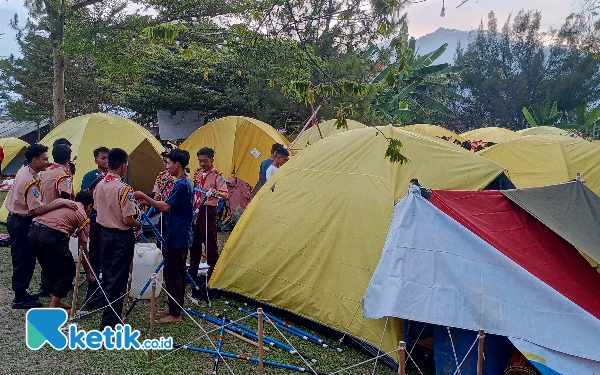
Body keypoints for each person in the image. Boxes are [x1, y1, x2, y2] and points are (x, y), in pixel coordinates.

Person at [5, 144, 77, 309]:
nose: (47, 162)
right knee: (24, 259)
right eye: (44, 159)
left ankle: (35, 291)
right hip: (21, 221)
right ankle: (20, 296)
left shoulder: (27, 170)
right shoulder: (29, 179)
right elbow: (37, 209)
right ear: (34, 159)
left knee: (29, 257)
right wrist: (61, 202)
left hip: (18, 218)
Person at [134, 149, 193, 323]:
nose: (167, 166)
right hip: (180, 232)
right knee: (178, 271)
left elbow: (165, 206)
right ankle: (175, 306)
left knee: (173, 272)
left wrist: (145, 197)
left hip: (178, 233)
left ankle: (175, 314)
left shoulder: (182, 184)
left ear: (178, 164)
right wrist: (150, 200)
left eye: (168, 163)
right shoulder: (184, 182)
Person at [94, 148, 141, 329]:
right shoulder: (123, 189)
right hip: (120, 237)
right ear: (123, 166)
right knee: (118, 279)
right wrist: (139, 223)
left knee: (107, 275)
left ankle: (108, 314)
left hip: (103, 233)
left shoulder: (100, 184)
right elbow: (127, 219)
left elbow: (98, 209)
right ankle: (111, 322)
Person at [29, 191, 95, 309]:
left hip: (34, 230)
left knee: (48, 267)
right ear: (89, 206)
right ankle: (54, 306)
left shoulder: (60, 202)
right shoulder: (83, 216)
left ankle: (56, 300)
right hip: (51, 235)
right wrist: (88, 274)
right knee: (68, 269)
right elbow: (83, 249)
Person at [190, 147, 228, 282]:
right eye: (200, 161)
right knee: (194, 243)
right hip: (197, 210)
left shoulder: (218, 175)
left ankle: (213, 274)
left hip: (208, 211)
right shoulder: (198, 174)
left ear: (212, 159)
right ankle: (192, 273)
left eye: (205, 161)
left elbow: (225, 195)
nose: (202, 164)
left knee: (210, 242)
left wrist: (215, 193)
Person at [79, 146, 110, 308]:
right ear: (95, 160)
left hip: (111, 222)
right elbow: (84, 195)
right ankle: (92, 292)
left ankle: (105, 291)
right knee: (95, 254)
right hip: (95, 220)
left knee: (109, 256)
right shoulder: (90, 176)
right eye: (102, 158)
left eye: (108, 158)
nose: (105, 161)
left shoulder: (116, 176)